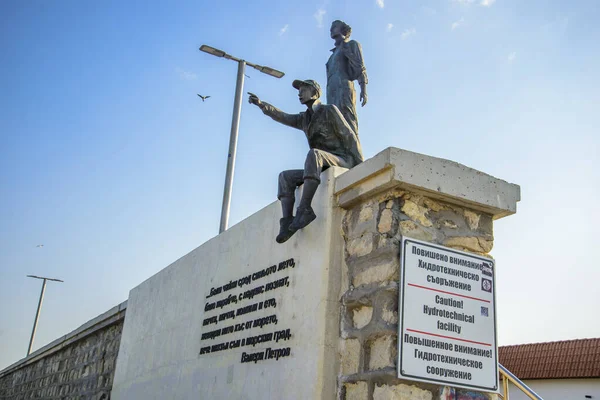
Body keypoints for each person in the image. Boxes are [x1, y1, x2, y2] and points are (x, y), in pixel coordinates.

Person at [248, 79, 363, 243]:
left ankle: (305, 209)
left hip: (341, 160)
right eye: (299, 90)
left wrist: (360, 166)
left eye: (303, 89)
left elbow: (349, 135)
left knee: (314, 153)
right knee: (285, 177)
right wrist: (262, 105)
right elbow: (283, 117)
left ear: (315, 92)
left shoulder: (329, 110)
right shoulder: (304, 118)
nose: (299, 93)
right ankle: (288, 222)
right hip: (319, 165)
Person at [326, 20, 368, 137]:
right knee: (333, 123)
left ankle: (354, 151)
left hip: (344, 89)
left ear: (343, 29)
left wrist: (364, 90)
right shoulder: (332, 55)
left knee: (348, 120)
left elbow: (360, 67)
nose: (331, 29)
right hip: (331, 92)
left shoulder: (351, 45)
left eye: (334, 26)